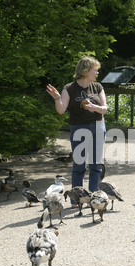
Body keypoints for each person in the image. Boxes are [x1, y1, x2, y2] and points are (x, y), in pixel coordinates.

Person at [46, 56, 107, 206]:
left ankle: (92, 197)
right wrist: (56, 98)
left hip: (98, 127)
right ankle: (76, 199)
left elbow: (104, 109)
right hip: (79, 128)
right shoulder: (69, 88)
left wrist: (95, 108)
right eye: (95, 70)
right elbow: (61, 110)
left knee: (95, 165)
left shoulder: (97, 87)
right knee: (79, 165)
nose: (97, 73)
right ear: (85, 70)